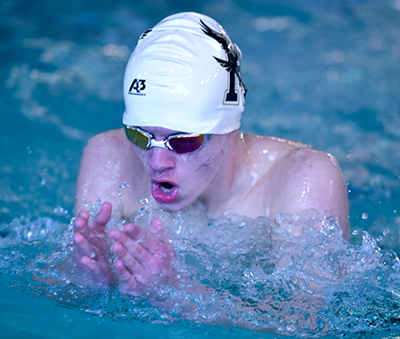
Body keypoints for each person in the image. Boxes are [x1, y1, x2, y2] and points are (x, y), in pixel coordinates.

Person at [72, 12, 349, 295]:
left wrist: (177, 291)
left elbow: (309, 321)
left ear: (226, 126)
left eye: (183, 142)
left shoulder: (304, 179)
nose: (156, 162)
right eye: (140, 136)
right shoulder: (109, 157)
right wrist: (91, 278)